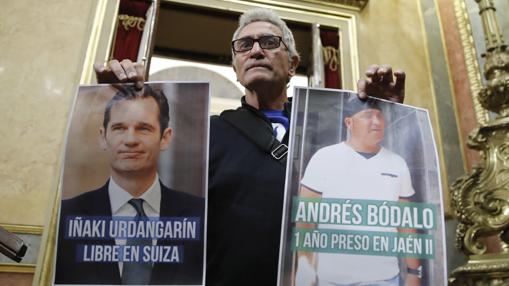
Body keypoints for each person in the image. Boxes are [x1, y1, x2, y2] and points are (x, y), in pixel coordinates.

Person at [94, 8, 406, 286]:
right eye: (245, 45)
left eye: (269, 43)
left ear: (293, 64)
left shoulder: (332, 130)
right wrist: (113, 101)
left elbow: (379, 193)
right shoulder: (204, 134)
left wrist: (387, 116)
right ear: (235, 65)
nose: (256, 50)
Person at [55, 85, 204, 285]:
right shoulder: (67, 216)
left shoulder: (201, 216)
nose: (131, 140)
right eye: (119, 128)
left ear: (165, 138)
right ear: (103, 137)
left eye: (143, 128)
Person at [296, 97, 421, 286]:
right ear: (349, 122)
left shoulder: (397, 163)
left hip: (385, 279)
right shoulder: (324, 158)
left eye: (380, 116)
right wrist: (304, 268)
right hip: (332, 279)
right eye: (368, 116)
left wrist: (413, 272)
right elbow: (306, 220)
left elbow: (406, 224)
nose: (377, 122)